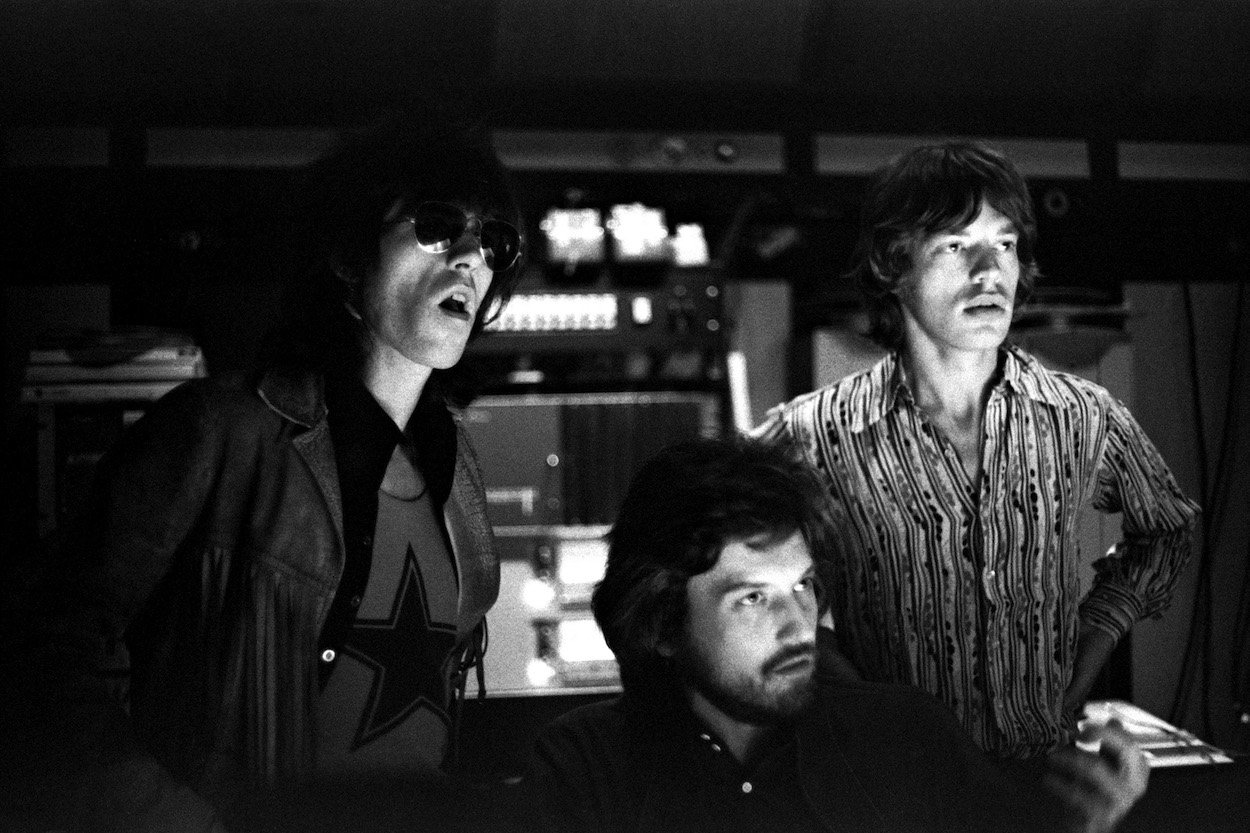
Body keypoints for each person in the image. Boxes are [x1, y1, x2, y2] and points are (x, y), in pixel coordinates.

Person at [0, 109, 524, 832]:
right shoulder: (218, 432)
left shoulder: (457, 467)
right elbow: (44, 658)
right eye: (437, 225)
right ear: (347, 253)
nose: (472, 257)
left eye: (494, 241)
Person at [754, 141, 1200, 758]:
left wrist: (1091, 645)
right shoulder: (814, 434)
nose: (990, 272)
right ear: (893, 265)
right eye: (956, 246)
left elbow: (1169, 528)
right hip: (888, 789)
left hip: (1037, 784)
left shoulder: (1080, 415)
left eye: (1006, 244)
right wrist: (829, 671)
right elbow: (714, 566)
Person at [524, 436, 1149, 833]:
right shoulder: (586, 767)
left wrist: (1078, 823)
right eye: (753, 598)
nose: (798, 622)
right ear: (662, 622)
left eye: (803, 585)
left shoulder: (905, 738)